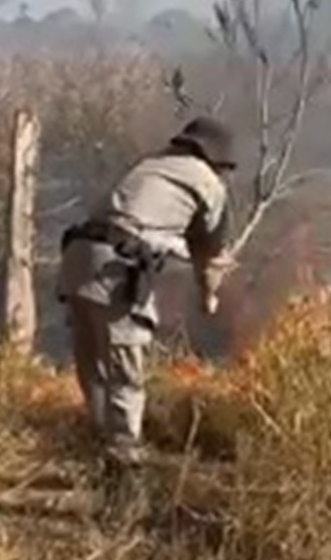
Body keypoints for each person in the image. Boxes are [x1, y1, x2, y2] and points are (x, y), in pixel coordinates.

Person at [54, 115, 238, 514]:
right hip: (115, 273)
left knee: (94, 370)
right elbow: (211, 257)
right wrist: (209, 298)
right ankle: (125, 493)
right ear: (219, 162)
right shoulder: (208, 184)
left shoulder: (152, 164)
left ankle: (107, 460)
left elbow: (143, 224)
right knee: (126, 378)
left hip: (77, 262)